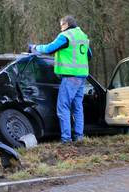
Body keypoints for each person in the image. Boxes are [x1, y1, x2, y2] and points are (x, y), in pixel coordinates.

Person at [29, 15, 92, 143]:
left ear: (66, 24)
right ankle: (79, 137)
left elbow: (49, 48)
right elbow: (89, 55)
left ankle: (66, 139)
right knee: (78, 107)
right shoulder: (83, 36)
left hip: (70, 77)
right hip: (82, 76)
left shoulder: (66, 36)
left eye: (61, 25)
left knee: (63, 107)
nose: (60, 28)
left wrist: (34, 48)